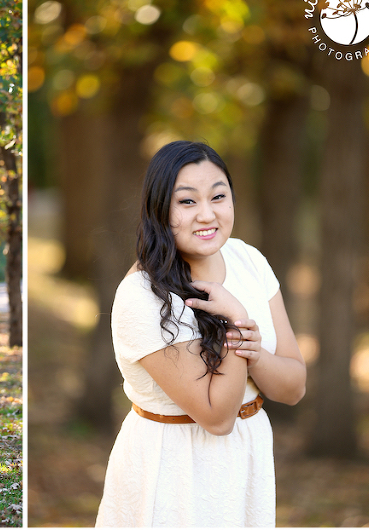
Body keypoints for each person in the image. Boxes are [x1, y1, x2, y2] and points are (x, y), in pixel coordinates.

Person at [95, 141, 306, 527]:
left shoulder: (249, 260)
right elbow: (217, 417)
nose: (207, 214)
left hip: (248, 458)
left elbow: (293, 387)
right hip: (175, 468)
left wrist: (254, 350)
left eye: (218, 196)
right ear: (159, 209)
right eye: (187, 201)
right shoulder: (142, 294)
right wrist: (236, 322)